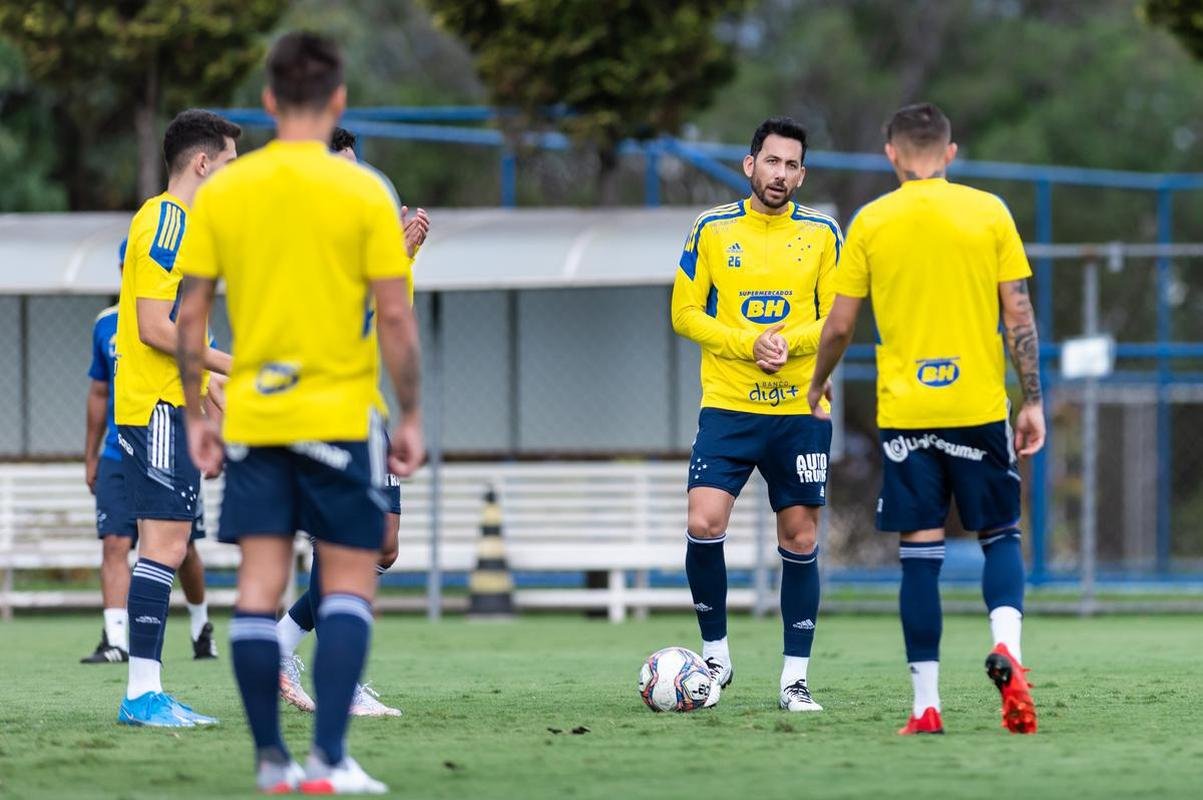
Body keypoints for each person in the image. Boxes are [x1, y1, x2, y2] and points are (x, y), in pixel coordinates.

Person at [175, 31, 423, 794]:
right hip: (342, 416)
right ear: (339, 100)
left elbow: (189, 320)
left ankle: (270, 764)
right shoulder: (366, 192)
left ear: (272, 102)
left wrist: (196, 414)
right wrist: (409, 414)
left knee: (258, 588)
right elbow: (394, 317)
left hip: (253, 417)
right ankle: (328, 760)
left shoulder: (226, 191)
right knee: (348, 583)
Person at [807, 102, 1045, 736]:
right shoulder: (989, 212)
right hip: (976, 406)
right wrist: (1033, 401)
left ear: (890, 154)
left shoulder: (871, 222)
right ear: (950, 153)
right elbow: (1018, 316)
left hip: (908, 411)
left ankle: (925, 706)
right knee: (999, 534)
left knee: (920, 554)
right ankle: (1009, 653)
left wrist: (818, 379)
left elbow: (838, 325)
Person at [671, 117, 841, 713]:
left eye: (793, 165)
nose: (782, 175)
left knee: (799, 536)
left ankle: (795, 679)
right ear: (750, 165)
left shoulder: (823, 232)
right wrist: (749, 344)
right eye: (772, 162)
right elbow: (684, 312)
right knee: (704, 520)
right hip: (728, 405)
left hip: (801, 406)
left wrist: (787, 343)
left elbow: (837, 319)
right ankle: (715, 655)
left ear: (802, 174)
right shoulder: (712, 228)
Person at [277, 125, 430, 718]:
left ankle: (282, 647)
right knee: (350, 544)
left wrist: (401, 259)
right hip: (320, 407)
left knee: (381, 546)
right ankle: (339, 681)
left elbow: (388, 319)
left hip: (365, 406)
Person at [113, 109, 239, 726]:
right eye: (230, 164)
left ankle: (147, 691)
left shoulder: (184, 225)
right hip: (155, 409)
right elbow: (153, 326)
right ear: (202, 163)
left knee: (170, 542)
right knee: (164, 544)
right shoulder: (169, 217)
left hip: (171, 407)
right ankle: (141, 695)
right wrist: (231, 362)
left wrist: (209, 400)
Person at [81, 239, 218, 664]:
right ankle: (116, 641)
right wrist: (90, 455)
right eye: (126, 265)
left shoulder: (184, 321)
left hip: (171, 442)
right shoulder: (107, 324)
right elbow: (99, 393)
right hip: (118, 453)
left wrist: (215, 436)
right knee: (115, 542)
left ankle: (200, 626)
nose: (131, 272)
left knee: (181, 548)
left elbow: (210, 382)